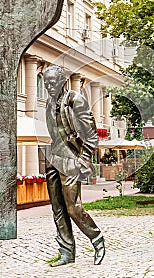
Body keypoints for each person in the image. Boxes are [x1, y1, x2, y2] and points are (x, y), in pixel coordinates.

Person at [43, 65, 105, 267]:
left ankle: (97, 240)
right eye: (46, 83)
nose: (49, 86)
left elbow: (92, 135)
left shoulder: (75, 100)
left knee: (73, 208)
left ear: (62, 81)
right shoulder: (49, 103)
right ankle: (66, 252)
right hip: (53, 159)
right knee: (58, 210)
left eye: (53, 82)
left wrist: (84, 159)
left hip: (71, 160)